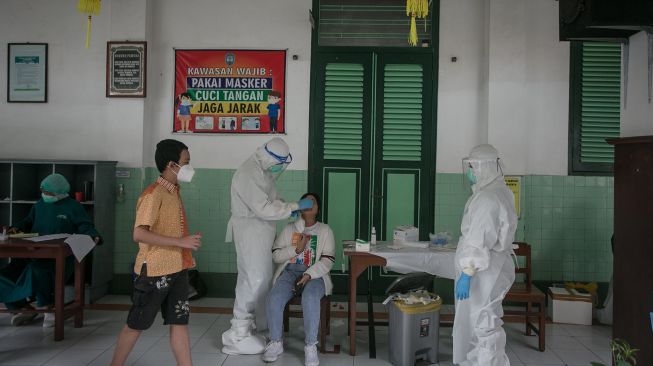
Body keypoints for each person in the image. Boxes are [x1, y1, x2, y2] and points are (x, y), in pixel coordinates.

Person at [111, 139, 201, 366]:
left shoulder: (173, 192)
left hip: (178, 268)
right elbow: (139, 234)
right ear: (172, 164)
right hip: (154, 271)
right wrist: (180, 242)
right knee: (137, 323)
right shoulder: (153, 194)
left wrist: (182, 247)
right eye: (186, 162)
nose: (189, 166)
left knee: (179, 321)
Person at [222, 137, 314, 355]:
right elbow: (262, 207)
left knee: (261, 278)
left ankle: (248, 326)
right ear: (268, 157)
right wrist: (293, 206)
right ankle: (237, 332)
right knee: (253, 279)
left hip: (261, 231)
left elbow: (271, 200)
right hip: (250, 231)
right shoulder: (248, 173)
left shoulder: (263, 171)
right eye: (279, 162)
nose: (280, 167)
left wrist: (286, 207)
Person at [0, 173, 101, 328]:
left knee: (37, 271)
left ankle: (47, 305)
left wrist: (93, 236)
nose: (45, 195)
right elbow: (27, 222)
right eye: (43, 192)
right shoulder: (39, 205)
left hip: (58, 258)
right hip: (31, 253)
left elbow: (85, 226)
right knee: (6, 274)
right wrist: (15, 228)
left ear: (59, 192)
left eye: (48, 193)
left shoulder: (73, 207)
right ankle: (20, 308)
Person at [453, 144, 517, 366]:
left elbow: (479, 239)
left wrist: (467, 272)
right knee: (485, 321)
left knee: (484, 322)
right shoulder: (501, 191)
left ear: (485, 167)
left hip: (484, 271)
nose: (471, 172)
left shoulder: (487, 199)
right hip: (493, 267)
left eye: (473, 167)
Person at [263, 193, 335, 366]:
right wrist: (296, 249)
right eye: (306, 202)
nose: (310, 205)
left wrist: (309, 274)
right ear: (300, 206)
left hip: (314, 275)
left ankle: (310, 346)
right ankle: (276, 342)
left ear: (317, 209)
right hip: (289, 273)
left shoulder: (325, 230)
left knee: (310, 298)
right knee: (274, 297)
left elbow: (328, 260)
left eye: (314, 202)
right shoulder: (289, 229)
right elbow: (276, 255)